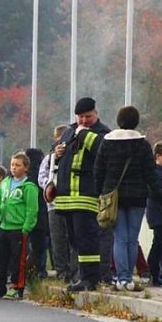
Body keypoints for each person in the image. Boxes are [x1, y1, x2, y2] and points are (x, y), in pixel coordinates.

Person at [94, 106, 162, 291]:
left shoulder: (107, 142)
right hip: (137, 197)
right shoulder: (142, 144)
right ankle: (128, 278)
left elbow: (98, 171)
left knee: (120, 238)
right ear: (136, 121)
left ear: (118, 121)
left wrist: (100, 193)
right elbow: (151, 175)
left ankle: (122, 278)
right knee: (132, 238)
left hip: (114, 197)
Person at [53, 97, 110, 292]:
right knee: (75, 240)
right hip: (67, 198)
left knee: (88, 239)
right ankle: (81, 276)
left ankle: (90, 278)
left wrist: (85, 134)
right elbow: (57, 155)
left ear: (96, 113)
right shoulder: (69, 131)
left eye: (88, 116)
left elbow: (102, 150)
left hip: (87, 196)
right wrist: (57, 152)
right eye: (80, 117)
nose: (84, 121)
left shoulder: (103, 133)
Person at [0, 152, 39, 299]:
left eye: (18, 165)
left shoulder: (29, 187)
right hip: (4, 226)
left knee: (17, 259)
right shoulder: (6, 183)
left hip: (18, 227)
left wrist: (26, 228)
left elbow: (32, 209)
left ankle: (16, 286)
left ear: (26, 168)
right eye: (12, 165)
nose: (14, 168)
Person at [39, 125, 78, 283]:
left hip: (72, 203)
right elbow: (42, 177)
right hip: (54, 205)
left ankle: (75, 272)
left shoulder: (75, 156)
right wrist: (50, 187)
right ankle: (62, 271)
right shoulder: (49, 159)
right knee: (57, 239)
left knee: (72, 239)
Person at [146, 142, 162, 286]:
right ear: (157, 156)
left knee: (158, 244)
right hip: (159, 214)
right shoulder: (154, 172)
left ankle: (153, 274)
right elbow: (155, 192)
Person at [25, 147, 49, 278]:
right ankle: (40, 270)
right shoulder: (42, 174)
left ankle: (27, 271)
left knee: (26, 246)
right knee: (39, 248)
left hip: (25, 217)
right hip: (41, 216)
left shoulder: (26, 178)